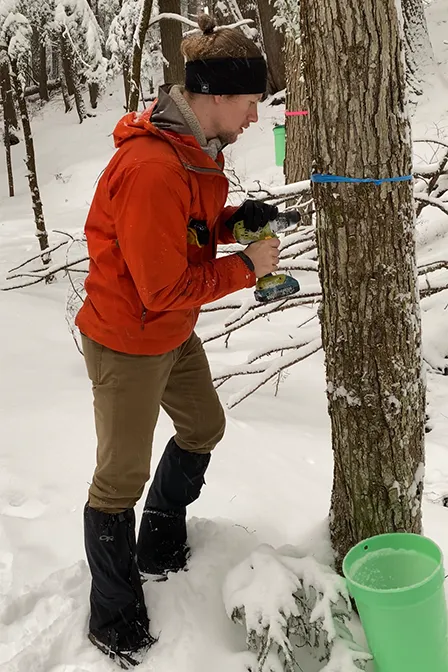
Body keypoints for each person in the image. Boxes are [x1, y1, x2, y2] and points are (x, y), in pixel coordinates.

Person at [75, 12, 280, 669]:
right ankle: (114, 616)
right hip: (129, 337)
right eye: (250, 104)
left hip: (167, 329)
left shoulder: (192, 153)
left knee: (202, 425)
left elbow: (183, 231)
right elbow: (162, 285)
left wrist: (231, 223)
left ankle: (159, 541)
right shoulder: (153, 168)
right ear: (216, 98)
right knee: (118, 480)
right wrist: (247, 268)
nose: (254, 117)